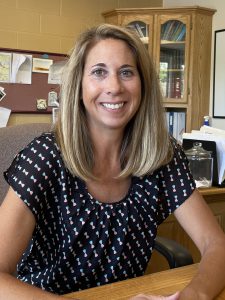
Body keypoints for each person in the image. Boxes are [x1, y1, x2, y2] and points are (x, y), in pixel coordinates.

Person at [0, 23, 225, 300]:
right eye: (98, 72)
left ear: (143, 84)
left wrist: (195, 296)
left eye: (126, 72)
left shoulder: (162, 154)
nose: (114, 87)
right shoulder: (45, 158)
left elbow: (216, 243)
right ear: (78, 86)